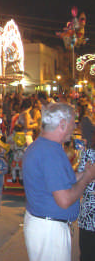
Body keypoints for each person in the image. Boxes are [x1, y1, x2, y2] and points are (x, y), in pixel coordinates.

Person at [22, 102, 95, 261]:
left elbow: (59, 181)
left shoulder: (43, 147)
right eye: (73, 123)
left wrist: (84, 174)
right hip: (49, 230)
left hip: (44, 225)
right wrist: (87, 178)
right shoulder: (50, 152)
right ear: (62, 124)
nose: (74, 127)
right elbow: (64, 199)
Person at [78, 137, 95, 261]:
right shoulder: (89, 154)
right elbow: (82, 182)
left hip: (89, 211)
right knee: (87, 253)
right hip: (90, 214)